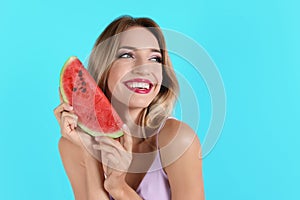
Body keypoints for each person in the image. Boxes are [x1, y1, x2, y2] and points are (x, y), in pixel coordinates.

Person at [54, 15, 205, 200]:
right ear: (104, 67)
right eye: (127, 55)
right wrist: (88, 152)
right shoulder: (72, 145)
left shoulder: (178, 140)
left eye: (155, 59)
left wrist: (118, 188)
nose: (144, 68)